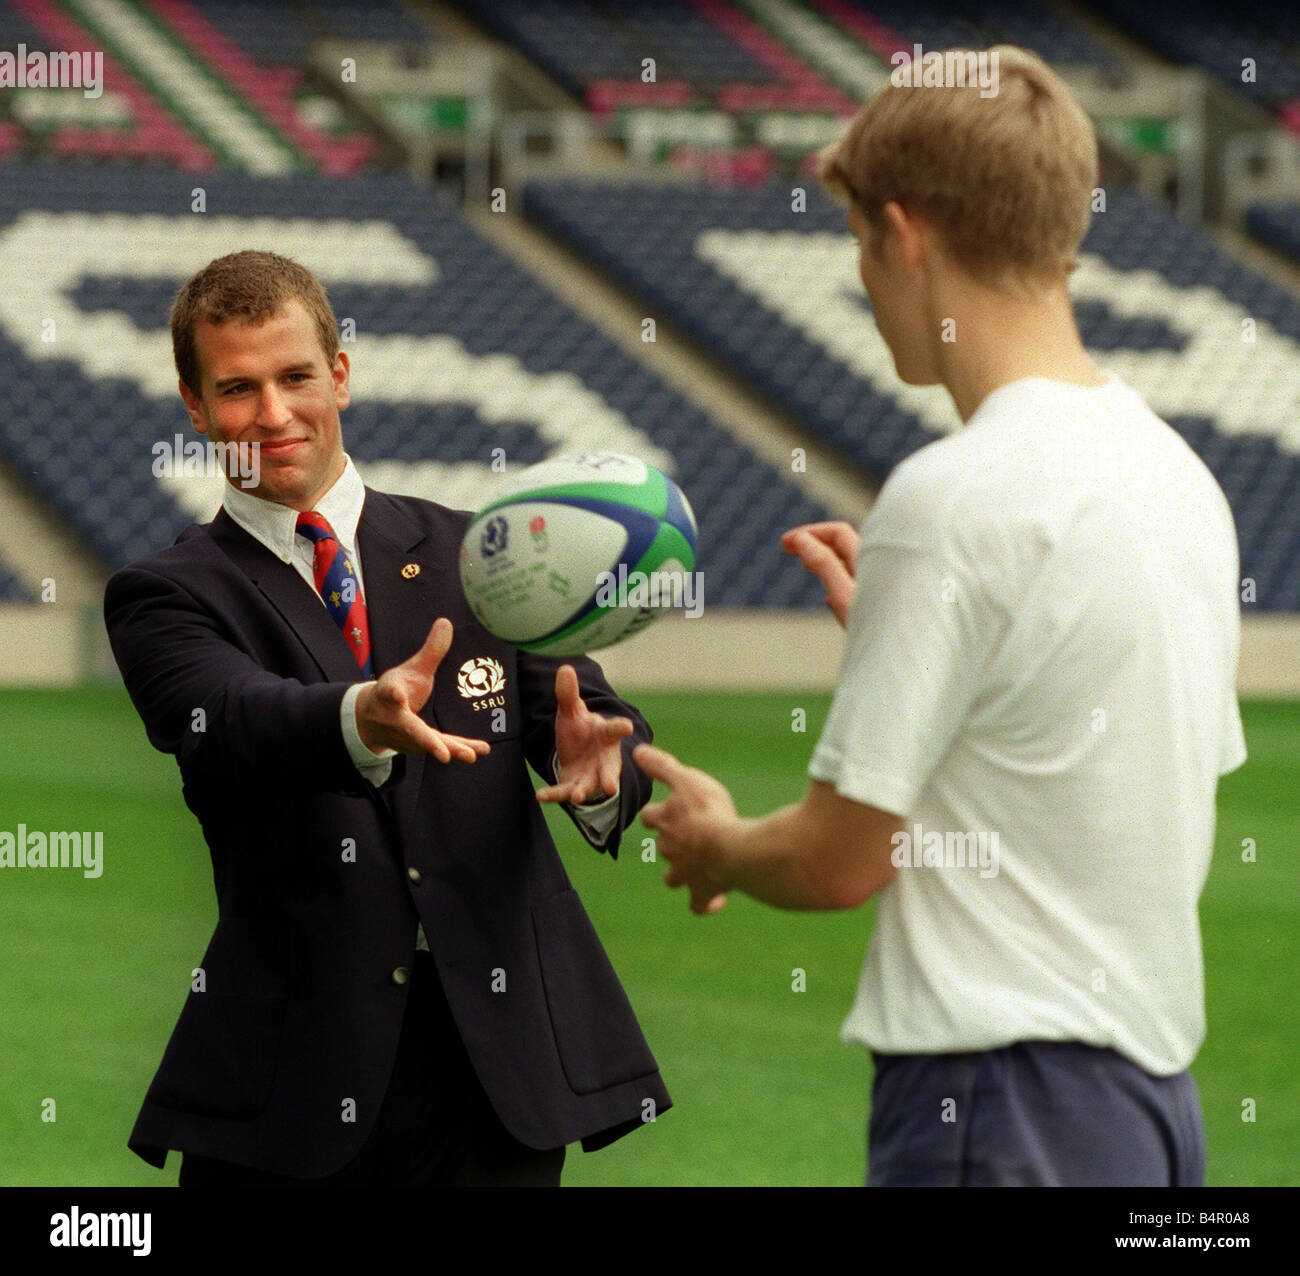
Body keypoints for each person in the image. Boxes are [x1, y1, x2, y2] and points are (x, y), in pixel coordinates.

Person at [635, 45, 1245, 1186]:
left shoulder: (951, 496)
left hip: (998, 1100)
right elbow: (1084, 773)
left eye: (860, 242)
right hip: (1150, 1114)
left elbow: (834, 862)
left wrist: (716, 841)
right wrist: (913, 650)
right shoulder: (1179, 481)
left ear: (902, 235)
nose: (864, 280)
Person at [105, 250, 670, 1186]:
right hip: (292, 1079)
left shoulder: (481, 554)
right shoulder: (165, 594)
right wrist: (360, 716)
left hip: (502, 1073)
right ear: (196, 408)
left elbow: (596, 724)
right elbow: (233, 720)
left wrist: (606, 774)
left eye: (295, 377)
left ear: (341, 375)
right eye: (238, 389)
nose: (274, 414)